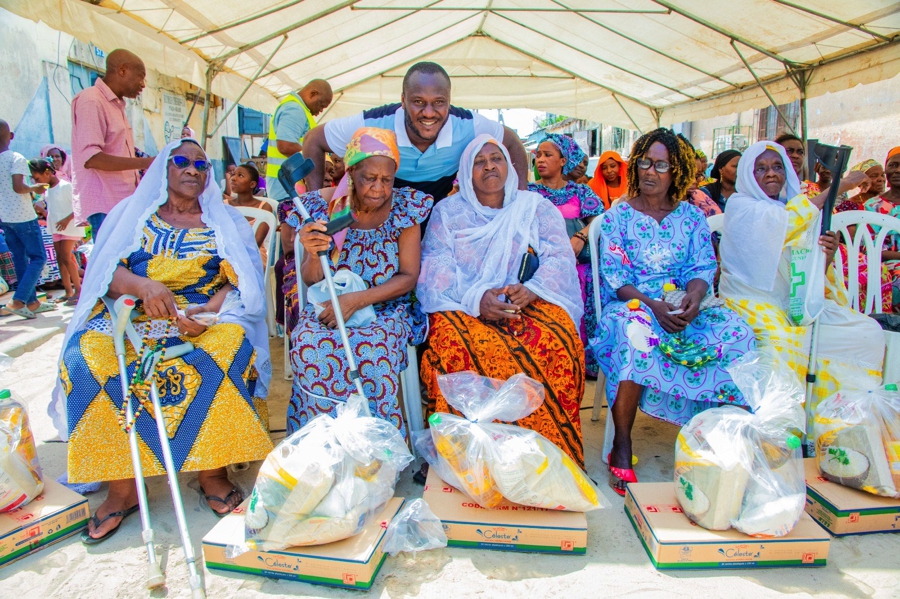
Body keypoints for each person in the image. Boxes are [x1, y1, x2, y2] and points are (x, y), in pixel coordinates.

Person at [53, 139, 272, 542]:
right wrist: (143, 285)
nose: (192, 170)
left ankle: (212, 472)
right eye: (182, 162)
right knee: (88, 359)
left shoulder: (222, 222)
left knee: (229, 350)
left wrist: (209, 312)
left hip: (199, 317)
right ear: (164, 170)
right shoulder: (134, 216)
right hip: (131, 312)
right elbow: (105, 274)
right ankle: (123, 486)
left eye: (201, 164)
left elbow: (240, 282)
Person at [591, 129, 755, 496]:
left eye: (661, 164)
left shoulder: (692, 218)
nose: (650, 171)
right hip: (634, 304)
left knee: (737, 333)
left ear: (676, 169)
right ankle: (622, 442)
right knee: (636, 336)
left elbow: (701, 269)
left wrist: (694, 301)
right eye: (645, 162)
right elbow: (615, 279)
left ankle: (720, 439)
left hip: (683, 304)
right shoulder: (618, 217)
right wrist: (654, 307)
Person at [418, 135, 587, 467]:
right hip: (463, 304)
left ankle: (545, 456)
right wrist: (476, 298)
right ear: (466, 171)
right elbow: (436, 268)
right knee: (452, 343)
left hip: (525, 300)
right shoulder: (447, 212)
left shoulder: (534, 207)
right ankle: (466, 458)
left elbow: (559, 257)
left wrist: (533, 289)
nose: (489, 166)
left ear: (509, 166)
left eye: (496, 158)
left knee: (558, 340)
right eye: (479, 162)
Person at [720, 140, 885, 423]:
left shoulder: (797, 206)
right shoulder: (741, 205)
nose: (771, 173)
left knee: (866, 332)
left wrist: (826, 254)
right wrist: (839, 187)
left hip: (795, 300)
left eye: (777, 167)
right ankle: (783, 426)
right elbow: (786, 223)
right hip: (752, 301)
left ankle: (837, 419)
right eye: (761, 168)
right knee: (783, 338)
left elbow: (808, 270)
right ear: (748, 174)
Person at [282, 127, 431, 437]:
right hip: (331, 303)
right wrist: (313, 253)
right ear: (351, 173)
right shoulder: (323, 210)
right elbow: (311, 280)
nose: (378, 188)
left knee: (371, 349)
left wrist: (357, 301)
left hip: (388, 307)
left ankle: (376, 446)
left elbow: (408, 277)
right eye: (369, 179)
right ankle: (323, 441)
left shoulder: (404, 210)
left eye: (386, 180)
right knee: (310, 343)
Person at [302, 62, 529, 203]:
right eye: (418, 102)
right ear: (402, 101)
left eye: (439, 102)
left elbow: (511, 141)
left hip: (438, 212)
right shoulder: (374, 123)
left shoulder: (468, 125)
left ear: (449, 101)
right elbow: (314, 139)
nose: (429, 113)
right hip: (385, 214)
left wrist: (519, 200)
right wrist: (316, 204)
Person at [527, 134, 603, 377]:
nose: (540, 160)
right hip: (541, 268)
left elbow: (600, 220)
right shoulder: (528, 192)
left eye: (548, 155)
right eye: (538, 155)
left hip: (577, 266)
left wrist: (580, 236)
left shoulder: (580, 191)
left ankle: (581, 363)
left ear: (563, 161)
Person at [71, 49, 154, 238]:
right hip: (106, 205)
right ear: (122, 70)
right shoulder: (91, 100)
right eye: (140, 77)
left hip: (123, 202)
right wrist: (146, 162)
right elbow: (92, 158)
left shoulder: (116, 105)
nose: (143, 85)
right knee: (113, 266)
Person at [0, 120, 54, 319]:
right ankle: (18, 300)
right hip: (23, 216)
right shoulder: (16, 157)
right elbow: (19, 187)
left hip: (5, 218)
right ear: (11, 136)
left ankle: (31, 303)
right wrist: (36, 188)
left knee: (21, 260)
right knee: (39, 257)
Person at [833, 158, 891, 312]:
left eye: (882, 175)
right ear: (861, 182)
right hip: (861, 256)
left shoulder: (887, 203)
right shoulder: (851, 206)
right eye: (874, 176)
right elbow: (854, 240)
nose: (880, 179)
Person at [264, 79, 333, 202]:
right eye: (321, 105)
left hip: (289, 182)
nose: (321, 110)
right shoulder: (295, 110)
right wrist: (317, 156)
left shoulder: (298, 109)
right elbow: (286, 145)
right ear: (313, 94)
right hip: (288, 185)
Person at [28, 159, 83, 305]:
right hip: (57, 228)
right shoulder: (48, 191)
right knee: (60, 258)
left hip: (70, 227)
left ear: (47, 173)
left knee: (66, 257)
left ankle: (79, 291)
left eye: (37, 178)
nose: (35, 181)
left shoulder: (65, 186)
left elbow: (78, 206)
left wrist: (66, 220)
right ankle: (68, 291)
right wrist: (42, 211)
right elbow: (53, 212)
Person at [863, 147, 900, 309]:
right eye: (893, 165)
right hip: (886, 267)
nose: (898, 170)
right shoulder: (872, 206)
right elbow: (869, 250)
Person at [225, 162, 272, 256]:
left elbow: (255, 244)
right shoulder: (224, 205)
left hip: (254, 256)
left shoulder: (264, 207)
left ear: (252, 184)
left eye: (240, 175)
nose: (233, 178)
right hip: (227, 254)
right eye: (233, 174)